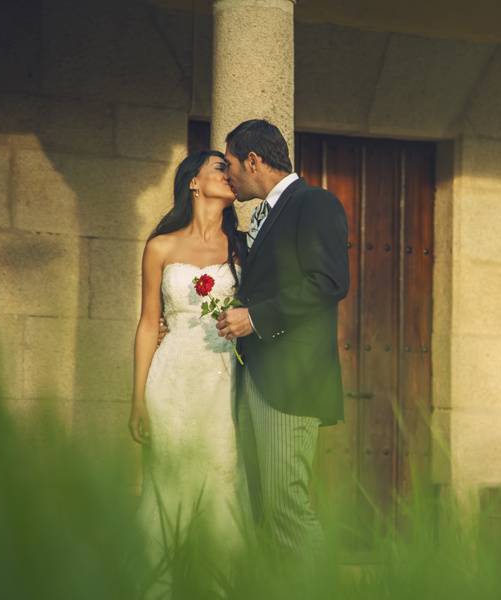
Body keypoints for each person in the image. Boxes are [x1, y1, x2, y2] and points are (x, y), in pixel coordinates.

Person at [214, 119, 349, 562]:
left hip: (290, 384)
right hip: (258, 377)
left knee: (286, 509)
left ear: (254, 160)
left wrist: (255, 317)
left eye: (231, 164)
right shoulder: (264, 214)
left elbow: (328, 281)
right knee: (265, 515)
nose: (228, 174)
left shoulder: (314, 203)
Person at [128, 150, 247, 558]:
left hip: (224, 377)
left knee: (221, 482)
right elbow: (148, 323)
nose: (229, 174)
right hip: (172, 378)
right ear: (193, 182)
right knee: (168, 481)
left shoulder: (242, 248)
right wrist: (138, 399)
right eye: (219, 167)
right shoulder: (160, 247)